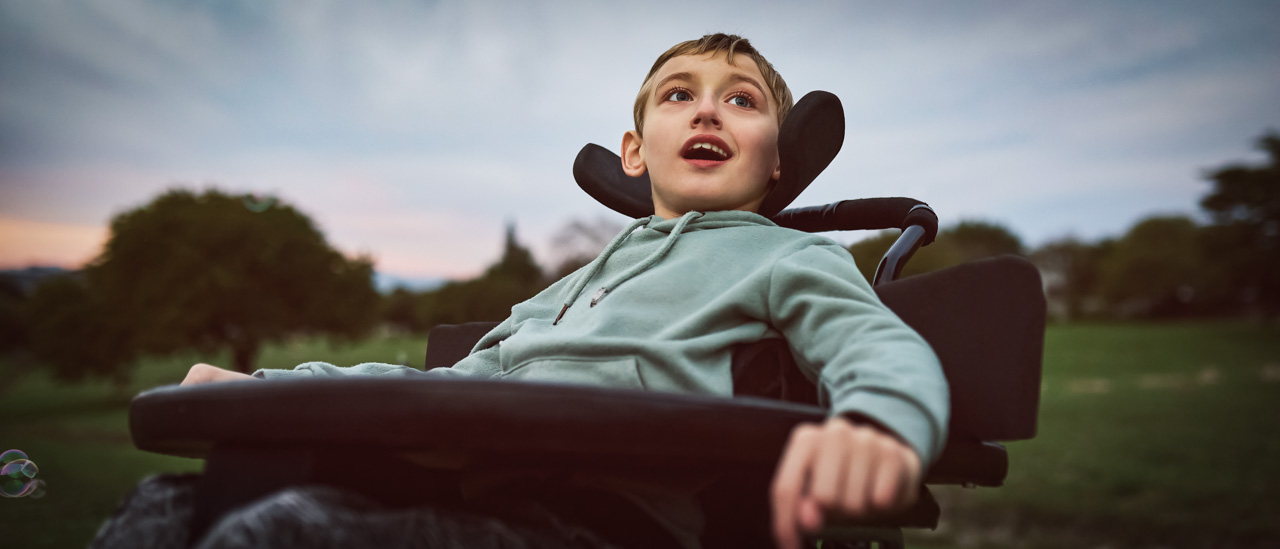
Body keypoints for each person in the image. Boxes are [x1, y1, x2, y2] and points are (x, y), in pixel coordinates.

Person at [167, 33, 949, 549]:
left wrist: (878, 424)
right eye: (679, 94)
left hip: (608, 522)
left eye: (742, 99)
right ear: (636, 152)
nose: (709, 106)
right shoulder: (572, 289)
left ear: (778, 161)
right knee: (170, 508)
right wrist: (269, 391)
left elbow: (873, 345)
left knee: (278, 532)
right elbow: (451, 387)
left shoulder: (784, 258)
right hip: (482, 496)